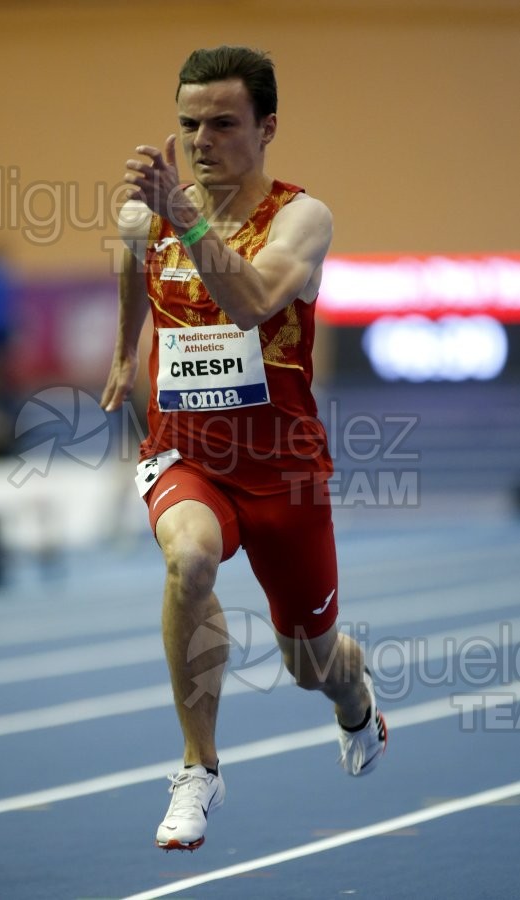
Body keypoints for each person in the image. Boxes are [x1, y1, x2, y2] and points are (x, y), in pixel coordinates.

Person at [101, 45, 387, 852]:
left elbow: (256, 298)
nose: (200, 139)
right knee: (187, 560)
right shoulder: (146, 211)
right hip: (185, 454)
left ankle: (352, 698)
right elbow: (131, 258)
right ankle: (200, 769)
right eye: (188, 123)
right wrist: (126, 353)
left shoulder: (302, 218)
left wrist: (183, 218)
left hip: (284, 475)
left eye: (222, 123)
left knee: (311, 661)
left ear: (265, 129)